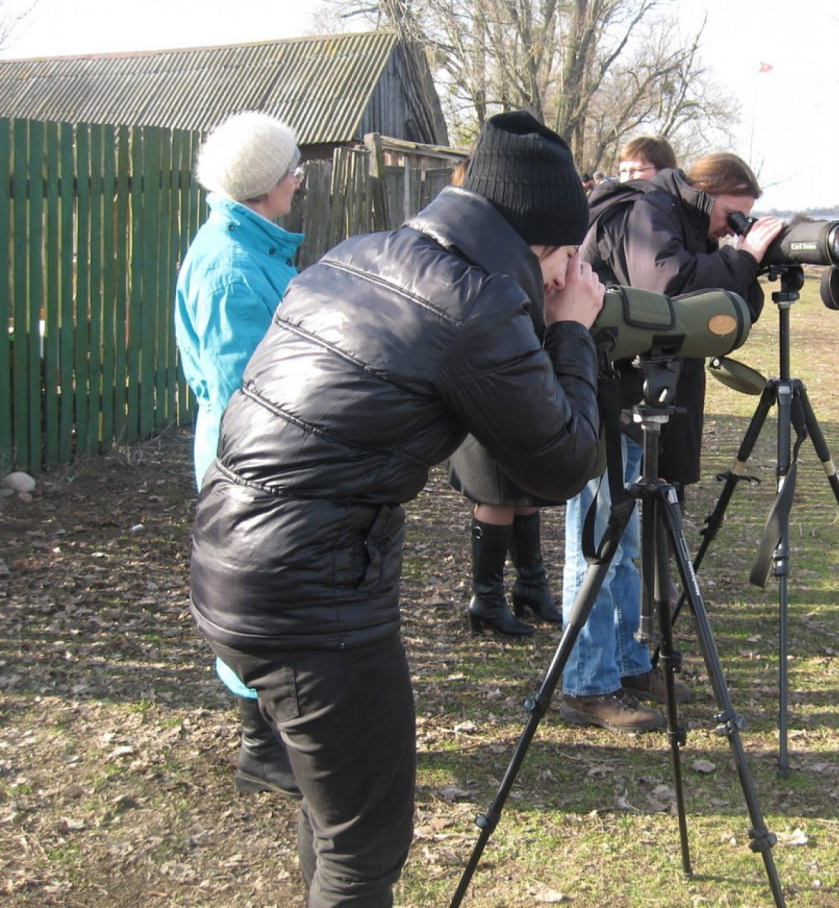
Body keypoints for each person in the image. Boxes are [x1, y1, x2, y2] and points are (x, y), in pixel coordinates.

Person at [187, 110, 603, 907]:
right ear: (535, 241)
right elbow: (559, 464)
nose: (564, 274)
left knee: (335, 813)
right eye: (563, 256)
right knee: (364, 847)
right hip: (312, 598)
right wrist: (573, 331)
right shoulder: (474, 301)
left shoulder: (360, 254)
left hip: (233, 559)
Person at [559, 151, 785, 733]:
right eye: (732, 215)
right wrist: (740, 256)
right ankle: (586, 684)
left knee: (629, 546)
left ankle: (629, 665)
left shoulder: (677, 220)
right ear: (708, 194)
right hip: (606, 395)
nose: (729, 230)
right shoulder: (645, 214)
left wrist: (742, 264)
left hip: (641, 397)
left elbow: (722, 316)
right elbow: (669, 290)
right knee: (597, 547)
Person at [174, 110, 305, 798]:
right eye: (293, 171)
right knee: (253, 597)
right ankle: (261, 746)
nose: (298, 183)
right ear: (271, 182)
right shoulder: (230, 268)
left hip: (262, 455)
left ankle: (277, 733)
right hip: (251, 461)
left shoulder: (249, 245)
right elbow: (245, 391)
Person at [445, 158, 562, 638]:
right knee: (495, 493)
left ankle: (531, 585)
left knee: (524, 490)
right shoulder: (473, 245)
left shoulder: (514, 237)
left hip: (518, 378)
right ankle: (486, 597)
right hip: (485, 385)